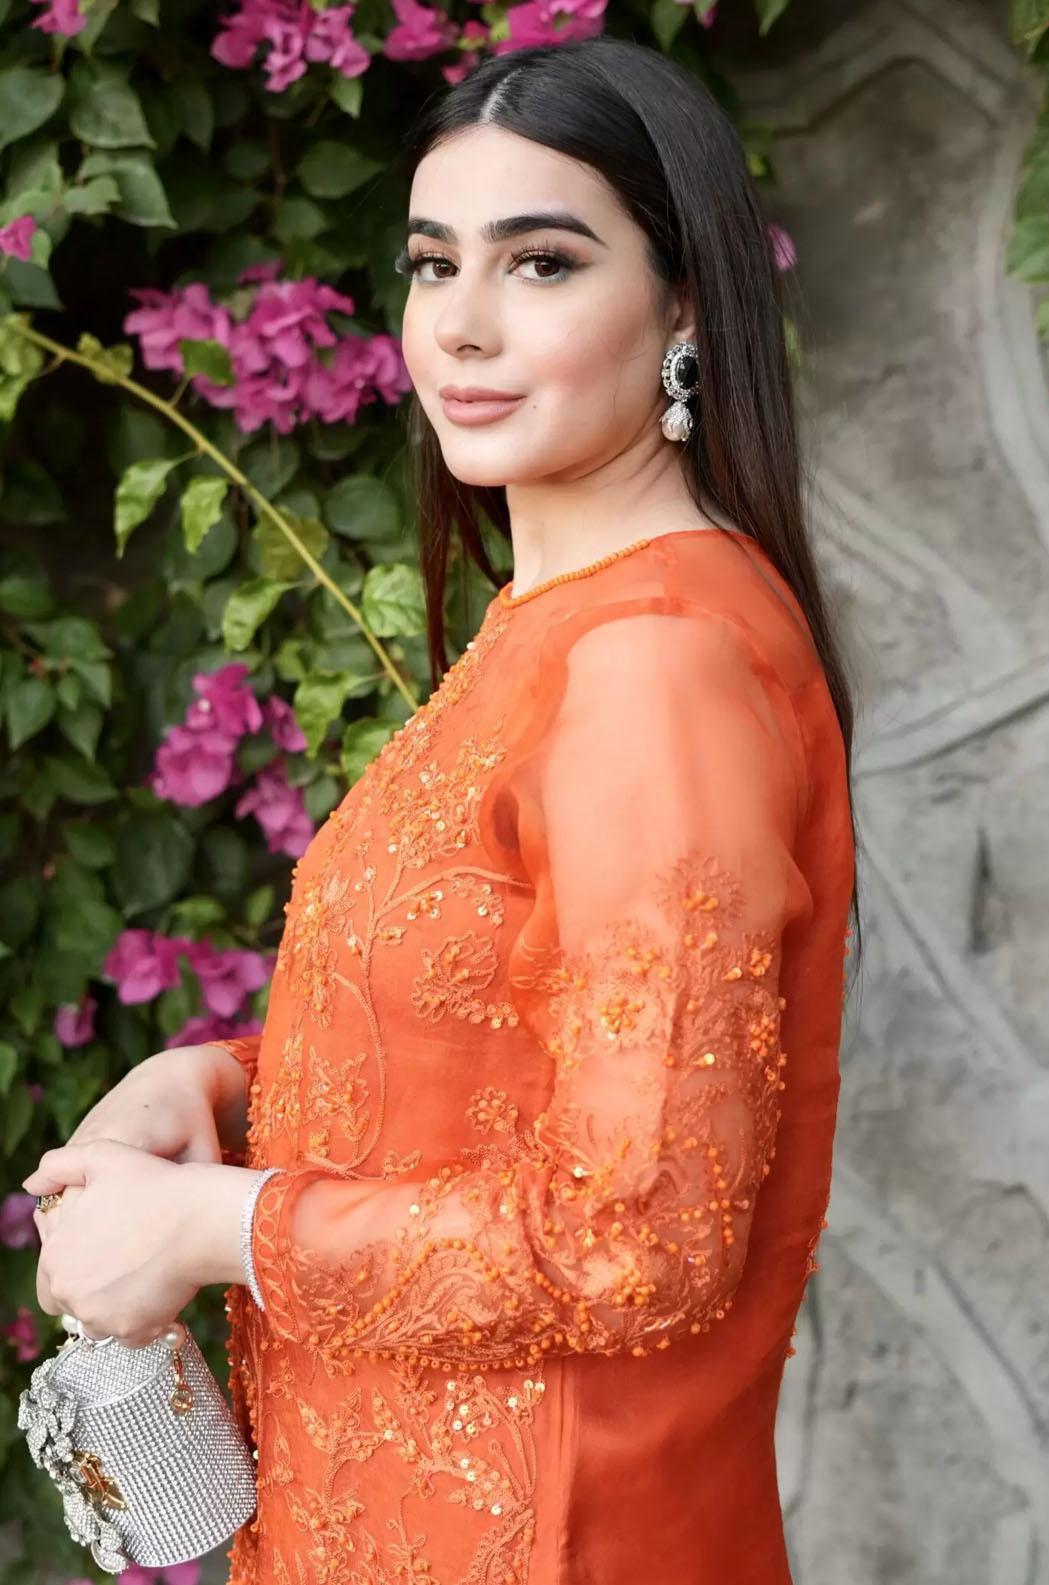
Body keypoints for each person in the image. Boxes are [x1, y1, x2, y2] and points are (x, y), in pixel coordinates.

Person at [23, 34, 860, 1585]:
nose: (461, 325)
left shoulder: (654, 659)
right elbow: (490, 1036)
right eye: (431, 264)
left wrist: (218, 1227)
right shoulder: (553, 633)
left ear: (684, 304)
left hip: (551, 1539)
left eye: (541, 263)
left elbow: (639, 1233)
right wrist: (215, 1083)